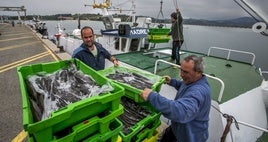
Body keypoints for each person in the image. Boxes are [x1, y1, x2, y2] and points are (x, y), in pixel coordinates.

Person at [140, 55, 211, 142]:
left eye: (186, 72)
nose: (181, 74)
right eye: (181, 70)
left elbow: (181, 111)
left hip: (189, 136)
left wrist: (153, 97)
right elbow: (184, 86)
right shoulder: (192, 80)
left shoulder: (198, 91)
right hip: (178, 128)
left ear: (199, 72)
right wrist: (172, 82)